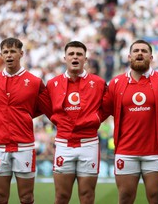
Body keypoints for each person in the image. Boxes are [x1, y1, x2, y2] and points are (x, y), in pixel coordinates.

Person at [102, 39, 158, 204]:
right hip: (126, 150)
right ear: (129, 56)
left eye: (144, 51)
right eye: (136, 51)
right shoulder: (116, 83)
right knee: (125, 198)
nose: (140, 53)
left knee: (156, 198)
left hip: (155, 150)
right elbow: (102, 111)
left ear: (151, 57)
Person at [0, 37, 47, 204]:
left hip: (24, 145)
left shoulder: (35, 82)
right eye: (6, 52)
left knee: (27, 197)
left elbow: (45, 106)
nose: (9, 55)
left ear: (21, 53)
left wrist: (27, 115)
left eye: (13, 51)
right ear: (1, 54)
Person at [40, 41, 107, 204]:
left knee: (87, 196)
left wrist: (96, 119)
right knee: (61, 197)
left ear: (85, 59)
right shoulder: (53, 83)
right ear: (65, 58)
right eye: (71, 54)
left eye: (79, 54)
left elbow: (108, 107)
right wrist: (58, 120)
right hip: (64, 143)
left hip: (89, 143)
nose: (75, 57)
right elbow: (47, 108)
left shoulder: (98, 83)